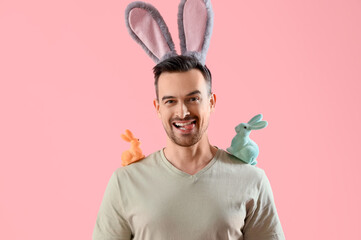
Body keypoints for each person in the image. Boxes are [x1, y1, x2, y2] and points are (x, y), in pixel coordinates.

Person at [92, 55, 285, 240]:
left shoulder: (251, 180)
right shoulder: (125, 182)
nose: (182, 112)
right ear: (158, 108)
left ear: (211, 103)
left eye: (193, 99)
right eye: (170, 101)